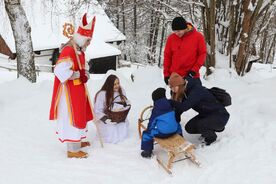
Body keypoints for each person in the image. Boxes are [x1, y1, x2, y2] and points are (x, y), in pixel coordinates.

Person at [49, 13, 96, 158]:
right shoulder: (69, 50)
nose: (89, 43)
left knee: (80, 114)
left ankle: (77, 141)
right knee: (72, 117)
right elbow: (59, 71)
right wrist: (76, 75)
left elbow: (84, 67)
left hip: (79, 89)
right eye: (88, 40)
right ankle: (72, 150)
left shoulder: (80, 52)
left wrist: (85, 74)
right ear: (82, 39)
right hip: (69, 92)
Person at [168, 72, 230, 145]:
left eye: (173, 87)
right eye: (171, 88)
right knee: (189, 128)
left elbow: (185, 106)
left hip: (220, 116)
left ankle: (211, 138)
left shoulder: (196, 90)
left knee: (201, 125)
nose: (172, 90)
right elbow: (179, 109)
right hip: (206, 115)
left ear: (180, 85)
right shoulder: (184, 91)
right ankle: (211, 127)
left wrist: (169, 102)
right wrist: (174, 123)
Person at [163, 16, 206, 85]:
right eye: (175, 31)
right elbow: (167, 57)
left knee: (196, 95)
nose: (177, 33)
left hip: (192, 76)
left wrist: (194, 70)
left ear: (185, 28)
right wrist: (166, 74)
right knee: (176, 96)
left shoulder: (198, 37)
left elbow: (202, 54)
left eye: (179, 31)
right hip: (175, 77)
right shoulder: (171, 38)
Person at [141, 88, 182, 158]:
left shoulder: (156, 109)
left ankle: (147, 151)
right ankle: (180, 140)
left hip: (163, 133)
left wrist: (148, 129)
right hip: (175, 130)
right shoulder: (171, 104)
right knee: (178, 125)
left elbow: (152, 122)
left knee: (146, 134)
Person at [94, 75, 130, 144]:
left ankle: (122, 143)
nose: (117, 86)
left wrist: (126, 105)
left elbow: (124, 102)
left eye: (118, 83)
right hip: (106, 118)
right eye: (114, 84)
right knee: (111, 129)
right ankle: (111, 145)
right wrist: (105, 119)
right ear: (109, 84)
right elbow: (97, 110)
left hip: (118, 116)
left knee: (122, 127)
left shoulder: (121, 90)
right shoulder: (102, 94)